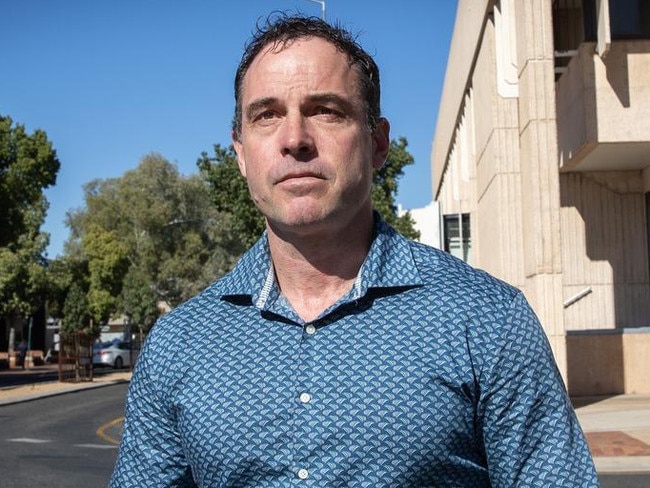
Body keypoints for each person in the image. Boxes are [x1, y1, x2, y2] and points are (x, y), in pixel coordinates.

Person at [110, 14, 598, 487]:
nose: (295, 139)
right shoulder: (178, 345)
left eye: (326, 111)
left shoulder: (488, 320)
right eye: (267, 115)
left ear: (377, 143)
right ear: (240, 152)